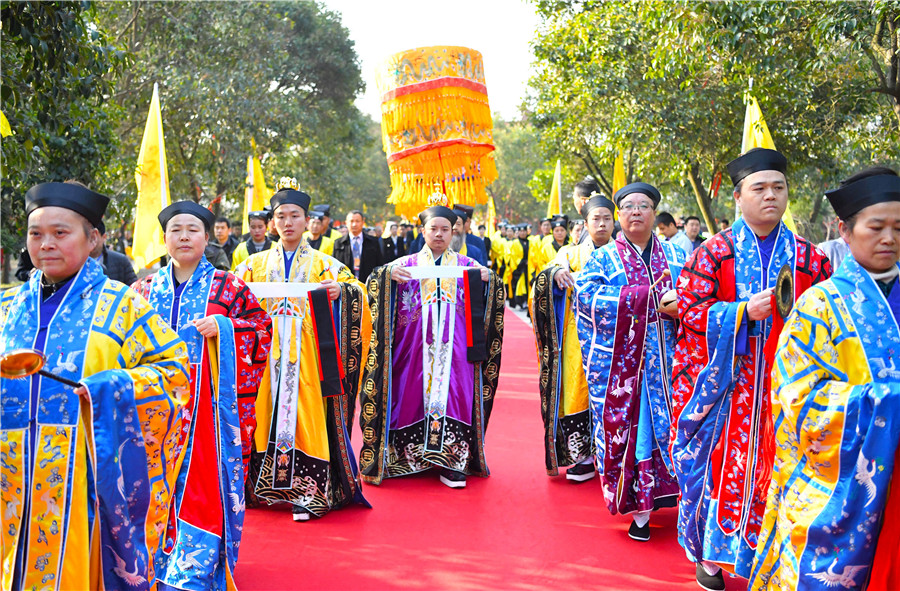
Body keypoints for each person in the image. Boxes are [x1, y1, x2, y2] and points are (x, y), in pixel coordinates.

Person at [1, 181, 189, 588]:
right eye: (36, 234)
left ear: (94, 240)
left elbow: (175, 375)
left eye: (60, 233)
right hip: (8, 475)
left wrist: (112, 389)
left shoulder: (124, 305)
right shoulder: (6, 305)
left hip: (85, 476)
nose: (46, 244)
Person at [670, 148, 833, 589]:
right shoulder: (713, 253)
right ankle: (711, 559)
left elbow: (830, 318)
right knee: (718, 470)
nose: (770, 197)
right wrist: (739, 312)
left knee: (786, 474)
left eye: (778, 188)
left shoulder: (811, 257)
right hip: (728, 392)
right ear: (738, 198)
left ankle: (776, 565)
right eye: (759, 188)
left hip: (787, 394)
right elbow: (687, 308)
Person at [750, 167, 900, 590]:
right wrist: (886, 401)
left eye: (899, 227)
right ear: (845, 230)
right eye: (876, 226)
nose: (889, 238)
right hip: (844, 484)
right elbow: (797, 401)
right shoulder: (819, 305)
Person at [133, 201, 272, 590]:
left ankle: (197, 564)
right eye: (175, 230)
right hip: (156, 409)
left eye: (192, 230)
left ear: (206, 237)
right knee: (153, 483)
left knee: (201, 485)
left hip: (207, 411)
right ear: (164, 239)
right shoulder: (142, 289)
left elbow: (262, 329)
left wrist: (225, 327)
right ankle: (152, 559)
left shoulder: (228, 286)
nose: (183, 237)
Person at [234, 178, 370, 522]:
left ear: (307, 220)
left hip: (307, 359)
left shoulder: (325, 264)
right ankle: (259, 490)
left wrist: (343, 291)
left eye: (295, 216)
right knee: (263, 416)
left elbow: (358, 292)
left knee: (305, 420)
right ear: (272, 222)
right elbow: (230, 296)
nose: (288, 223)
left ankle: (307, 493)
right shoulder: (253, 265)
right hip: (264, 357)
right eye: (281, 216)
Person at [359, 203, 505, 489]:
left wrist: (490, 283)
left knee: (456, 395)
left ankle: (452, 462)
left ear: (455, 232)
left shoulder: (468, 266)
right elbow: (371, 284)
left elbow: (493, 292)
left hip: (457, 349)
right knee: (410, 394)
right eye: (433, 229)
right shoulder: (405, 265)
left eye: (445, 230)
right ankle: (407, 458)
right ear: (422, 231)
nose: (439, 235)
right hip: (413, 350)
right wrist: (385, 277)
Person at [574, 182, 686, 542]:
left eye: (644, 206)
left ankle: (680, 499)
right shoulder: (603, 257)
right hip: (624, 366)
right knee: (636, 433)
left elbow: (694, 296)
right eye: (629, 206)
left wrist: (679, 306)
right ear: (619, 215)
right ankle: (640, 508)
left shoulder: (675, 255)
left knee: (675, 426)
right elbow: (587, 299)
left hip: (669, 363)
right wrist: (644, 298)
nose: (636, 211)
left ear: (655, 214)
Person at [530, 196, 614, 482]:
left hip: (615, 339)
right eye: (595, 219)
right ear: (585, 224)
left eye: (606, 219)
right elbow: (541, 279)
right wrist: (555, 274)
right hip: (576, 338)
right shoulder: (569, 254)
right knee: (578, 390)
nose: (601, 224)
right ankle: (584, 457)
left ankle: (614, 459)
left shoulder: (623, 254)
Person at [332, 210, 384, 282]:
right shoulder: (339, 243)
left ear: (363, 222)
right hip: (346, 284)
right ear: (346, 223)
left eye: (357, 221)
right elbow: (334, 266)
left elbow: (379, 264)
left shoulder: (373, 242)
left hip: (368, 283)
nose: (354, 224)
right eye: (351, 221)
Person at [90, 220, 139, 285]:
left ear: (104, 237)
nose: (91, 241)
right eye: (87, 237)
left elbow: (134, 289)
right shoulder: (77, 262)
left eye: (94, 237)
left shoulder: (121, 260)